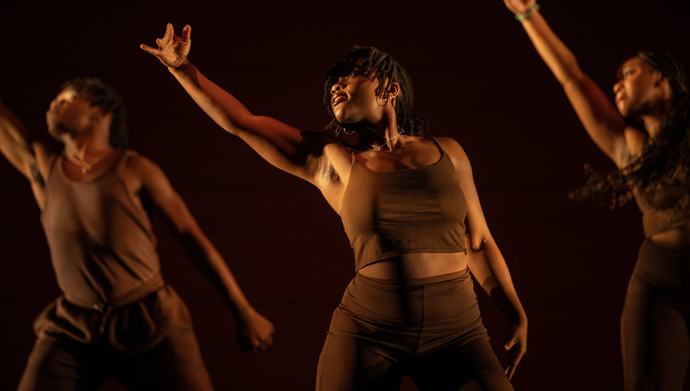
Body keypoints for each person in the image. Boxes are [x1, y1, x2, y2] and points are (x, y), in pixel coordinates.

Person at [140, 22, 528, 390]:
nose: (336, 87)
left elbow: (477, 242)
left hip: (457, 329)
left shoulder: (450, 153)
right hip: (370, 329)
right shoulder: (334, 160)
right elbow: (242, 122)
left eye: (351, 76)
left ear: (390, 90)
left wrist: (516, 314)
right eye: (332, 84)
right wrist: (181, 67)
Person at [0, 0, 275, 391]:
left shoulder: (133, 168)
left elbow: (192, 239)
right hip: (74, 328)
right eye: (55, 99)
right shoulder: (43, 166)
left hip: (151, 323)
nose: (55, 103)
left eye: (68, 98)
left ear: (100, 113)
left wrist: (243, 311)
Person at [492, 0, 690, 390]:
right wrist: (529, 14)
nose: (617, 83)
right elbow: (570, 75)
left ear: (662, 78)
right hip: (660, 282)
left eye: (630, 73)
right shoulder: (630, 146)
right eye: (616, 77)